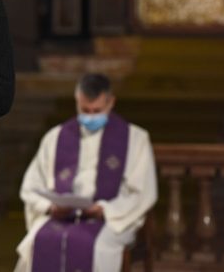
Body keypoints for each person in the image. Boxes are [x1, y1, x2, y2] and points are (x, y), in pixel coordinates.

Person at [14, 73, 157, 272]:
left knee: (98, 248)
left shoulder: (135, 139)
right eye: (84, 110)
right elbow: (31, 186)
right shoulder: (56, 137)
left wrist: (105, 209)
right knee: (35, 242)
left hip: (109, 218)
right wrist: (50, 206)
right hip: (61, 216)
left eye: (96, 111)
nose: (89, 117)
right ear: (77, 101)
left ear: (111, 102)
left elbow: (142, 192)